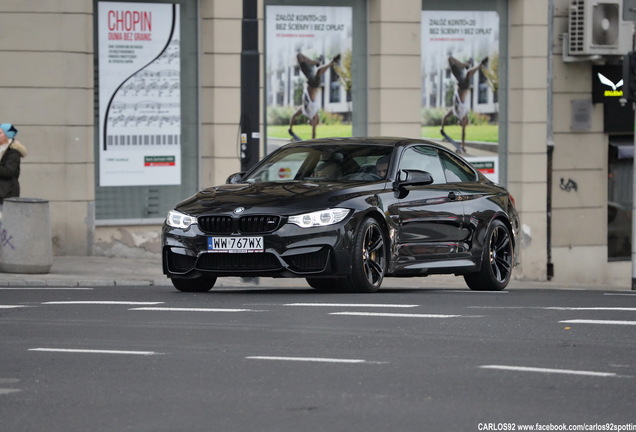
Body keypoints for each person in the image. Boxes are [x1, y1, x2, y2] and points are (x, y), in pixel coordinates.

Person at [440, 56, 488, 153]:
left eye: (461, 124)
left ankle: (465, 65)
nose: (460, 124)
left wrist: (442, 129)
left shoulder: (454, 112)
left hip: (459, 82)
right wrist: (463, 146)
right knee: (468, 74)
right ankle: (478, 65)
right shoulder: (463, 114)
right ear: (464, 122)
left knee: (450, 59)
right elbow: (463, 133)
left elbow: (445, 117)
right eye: (462, 124)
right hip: (464, 86)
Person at [289, 52, 341, 140]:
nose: (311, 123)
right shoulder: (313, 113)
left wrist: (290, 128)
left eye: (311, 123)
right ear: (315, 121)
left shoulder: (304, 110)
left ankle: (315, 62)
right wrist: (313, 140)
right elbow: (314, 132)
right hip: (314, 84)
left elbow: (294, 116)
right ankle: (332, 62)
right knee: (319, 71)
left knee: (299, 56)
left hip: (309, 78)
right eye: (313, 123)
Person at [0, 123, 28, 215]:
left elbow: (9, 172)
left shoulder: (13, 152)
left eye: (0, 133)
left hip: (6, 195)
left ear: (7, 136)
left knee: (5, 225)